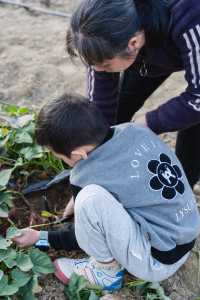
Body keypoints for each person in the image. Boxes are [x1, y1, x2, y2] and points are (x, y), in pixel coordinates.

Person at [13, 93, 200, 292]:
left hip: (157, 262)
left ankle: (105, 272)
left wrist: (41, 237)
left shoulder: (84, 175)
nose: (58, 158)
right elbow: (124, 179)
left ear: (78, 154)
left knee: (89, 199)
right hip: (185, 234)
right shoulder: (136, 130)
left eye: (57, 155)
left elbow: (84, 237)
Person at [66, 0, 200, 188]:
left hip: (180, 32)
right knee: (119, 106)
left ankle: (181, 187)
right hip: (146, 46)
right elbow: (102, 104)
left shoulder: (190, 17)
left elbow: (198, 99)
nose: (98, 70)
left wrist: (146, 124)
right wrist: (89, 175)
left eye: (103, 64)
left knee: (194, 120)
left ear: (134, 43)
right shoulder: (105, 22)